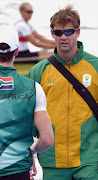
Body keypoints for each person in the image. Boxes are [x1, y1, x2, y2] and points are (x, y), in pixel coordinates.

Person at [29, 5, 98, 180]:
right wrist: (26, 155)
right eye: (58, 32)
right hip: (52, 159)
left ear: (78, 32)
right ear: (52, 33)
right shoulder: (38, 71)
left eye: (69, 32)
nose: (63, 37)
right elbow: (28, 117)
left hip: (89, 158)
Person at [0, 25, 54, 180]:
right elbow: (48, 139)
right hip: (19, 170)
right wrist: (30, 151)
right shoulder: (33, 88)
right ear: (17, 51)